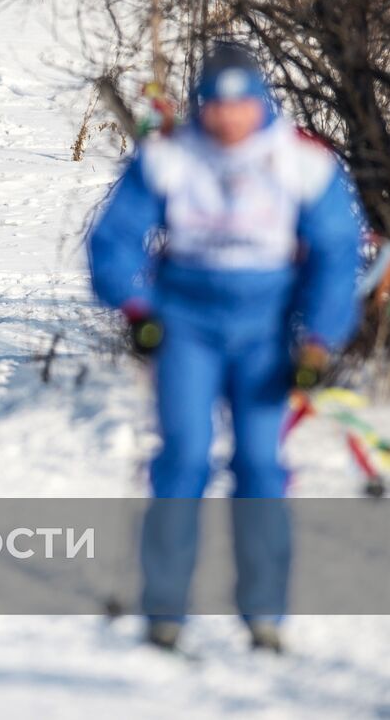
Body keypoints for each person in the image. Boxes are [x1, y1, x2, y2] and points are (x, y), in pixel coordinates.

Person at [88, 43, 363, 653]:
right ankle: (165, 610)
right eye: (215, 106)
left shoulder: (301, 162)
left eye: (240, 106)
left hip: (264, 329)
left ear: (260, 104)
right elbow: (114, 239)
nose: (228, 120)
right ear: (200, 105)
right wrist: (136, 309)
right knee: (184, 456)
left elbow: (336, 254)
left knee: (260, 465)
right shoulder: (170, 157)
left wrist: (319, 339)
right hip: (187, 321)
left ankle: (263, 612)